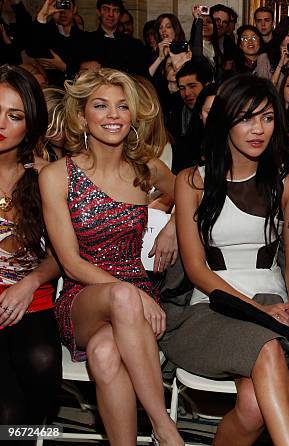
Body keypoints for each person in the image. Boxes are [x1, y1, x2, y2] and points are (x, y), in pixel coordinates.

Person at [161, 74, 289, 446]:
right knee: (267, 346)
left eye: (266, 117)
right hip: (211, 307)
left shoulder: (286, 181)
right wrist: (261, 313)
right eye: (245, 118)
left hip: (271, 299)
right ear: (225, 120)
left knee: (254, 408)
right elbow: (196, 270)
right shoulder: (192, 181)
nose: (257, 129)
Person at [39, 68, 182, 445]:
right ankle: (164, 426)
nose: (113, 115)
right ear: (82, 115)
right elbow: (70, 262)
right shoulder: (57, 175)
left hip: (137, 295)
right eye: (101, 106)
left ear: (133, 116)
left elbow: (193, 190)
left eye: (122, 106)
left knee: (105, 355)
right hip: (82, 294)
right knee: (121, 297)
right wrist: (131, 294)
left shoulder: (145, 169)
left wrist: (173, 225)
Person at [0, 65, 62, 432]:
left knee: (41, 369)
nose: (1, 124)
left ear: (31, 123)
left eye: (15, 115)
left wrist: (29, 283)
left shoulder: (44, 179)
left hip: (31, 295)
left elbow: (64, 255)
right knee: (7, 413)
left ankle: (33, 433)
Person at [31, 0, 85, 87]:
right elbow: (33, 50)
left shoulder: (83, 37)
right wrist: (42, 15)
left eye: (66, 5)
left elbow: (87, 70)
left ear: (74, 9)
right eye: (59, 6)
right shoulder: (45, 32)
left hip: (77, 89)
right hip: (52, 90)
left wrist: (64, 67)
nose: (63, 12)